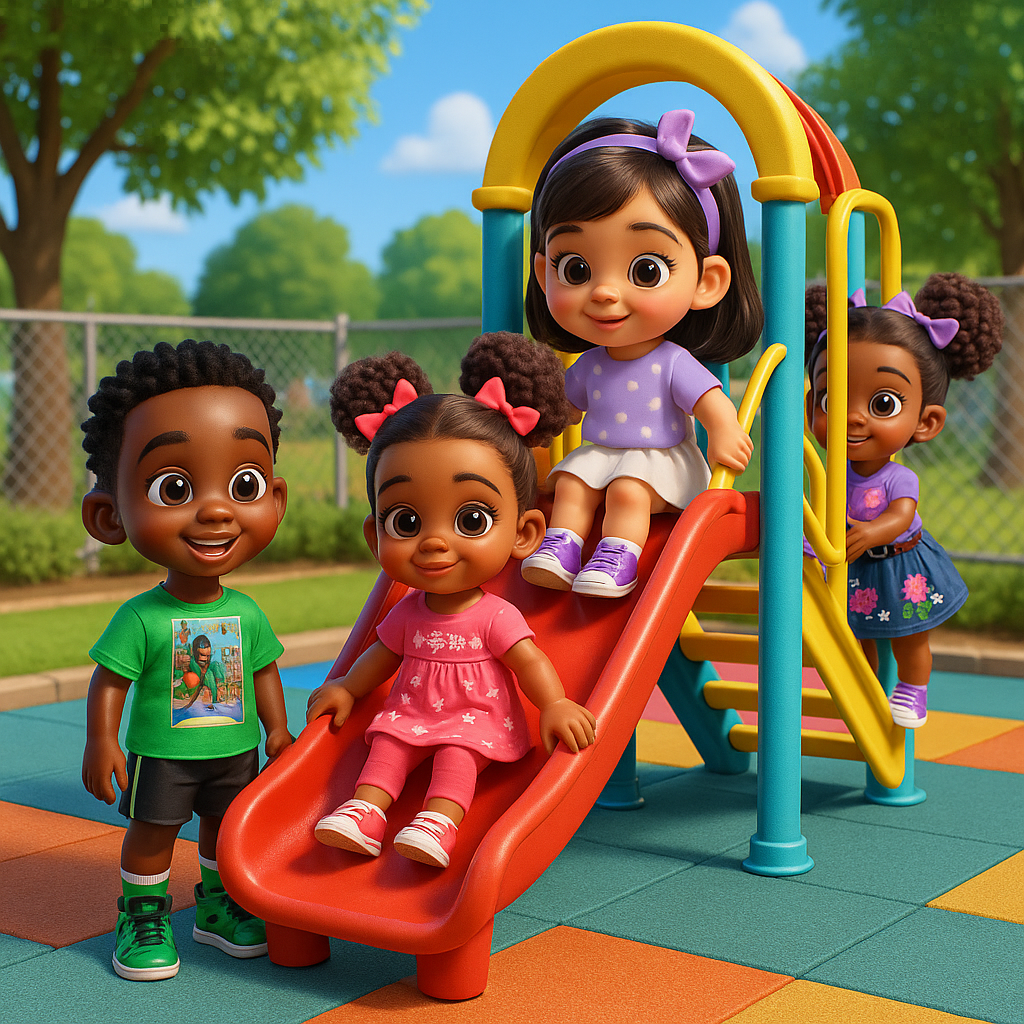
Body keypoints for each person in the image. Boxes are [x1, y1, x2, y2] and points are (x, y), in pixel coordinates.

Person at [306, 332, 596, 870]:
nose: (435, 542)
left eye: (471, 519)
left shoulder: (495, 615)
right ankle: (366, 810)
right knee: (387, 743)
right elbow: (381, 656)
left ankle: (439, 820)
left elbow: (529, 661)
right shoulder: (407, 611)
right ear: (375, 535)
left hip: (476, 718)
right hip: (411, 711)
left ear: (525, 533)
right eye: (406, 521)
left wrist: (554, 703)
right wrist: (347, 686)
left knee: (458, 756)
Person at [80, 339, 292, 981]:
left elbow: (262, 670)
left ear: (275, 499)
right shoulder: (142, 617)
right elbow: (110, 680)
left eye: (244, 484)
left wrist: (277, 729)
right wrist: (101, 741)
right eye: (173, 487)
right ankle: (142, 915)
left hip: (235, 748)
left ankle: (219, 904)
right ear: (109, 515)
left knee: (227, 831)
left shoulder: (247, 612)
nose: (217, 509)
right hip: (163, 753)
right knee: (152, 832)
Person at [521, 109, 763, 597]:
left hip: (660, 462)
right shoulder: (589, 365)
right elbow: (564, 410)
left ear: (707, 282)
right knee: (571, 484)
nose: (604, 292)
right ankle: (562, 546)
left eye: (646, 270)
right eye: (575, 268)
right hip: (600, 455)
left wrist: (724, 430)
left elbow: (708, 400)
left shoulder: (672, 362)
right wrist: (531, 430)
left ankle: (618, 556)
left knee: (628, 491)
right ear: (545, 273)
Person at [804, 275, 1004, 728]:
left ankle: (913, 690)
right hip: (856, 567)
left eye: (883, 404)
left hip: (901, 564)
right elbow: (821, 516)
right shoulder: (831, 474)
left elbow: (901, 515)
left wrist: (871, 530)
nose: (852, 417)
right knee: (853, 634)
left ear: (926, 422)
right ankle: (862, 686)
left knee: (910, 638)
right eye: (831, 398)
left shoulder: (899, 476)